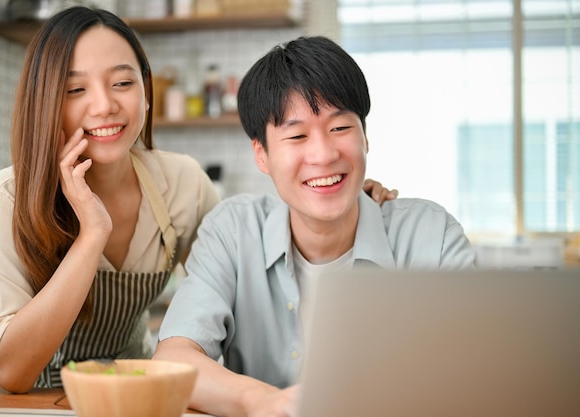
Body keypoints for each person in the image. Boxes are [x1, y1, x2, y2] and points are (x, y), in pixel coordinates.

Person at [0, 7, 395, 393]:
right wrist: (93, 233)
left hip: (130, 397)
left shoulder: (182, 183)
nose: (104, 105)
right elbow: (12, 373)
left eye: (122, 82)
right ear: (45, 103)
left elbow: (244, 255)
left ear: (146, 93)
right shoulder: (7, 197)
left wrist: (342, 195)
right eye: (75, 90)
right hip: (26, 405)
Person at [153, 36, 476, 417]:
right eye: (297, 135)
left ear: (365, 137)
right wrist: (265, 401)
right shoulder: (233, 232)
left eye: (340, 128)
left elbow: (474, 376)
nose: (323, 155)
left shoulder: (431, 237)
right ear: (262, 154)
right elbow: (173, 360)